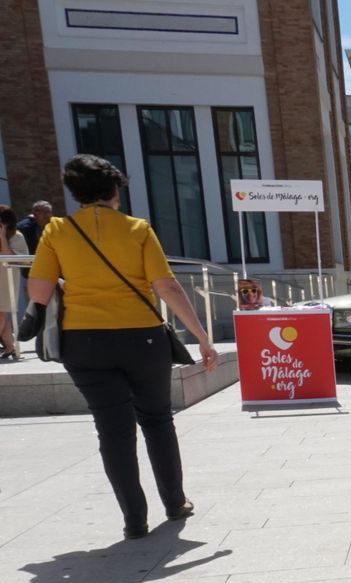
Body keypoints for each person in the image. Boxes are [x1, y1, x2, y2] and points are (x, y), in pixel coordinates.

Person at [23, 154, 219, 541]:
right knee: (157, 420)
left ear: (75, 192)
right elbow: (166, 286)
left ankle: (134, 520)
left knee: (113, 432)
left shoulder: (57, 230)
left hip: (83, 341)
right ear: (115, 189)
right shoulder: (137, 229)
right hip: (142, 338)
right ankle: (175, 502)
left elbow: (40, 289)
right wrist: (201, 336)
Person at [0, 205, 24, 360]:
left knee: (1, 313)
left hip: (6, 277)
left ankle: (10, 347)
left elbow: (11, 258)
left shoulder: (17, 236)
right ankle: (10, 347)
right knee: (1, 314)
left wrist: (2, 237)